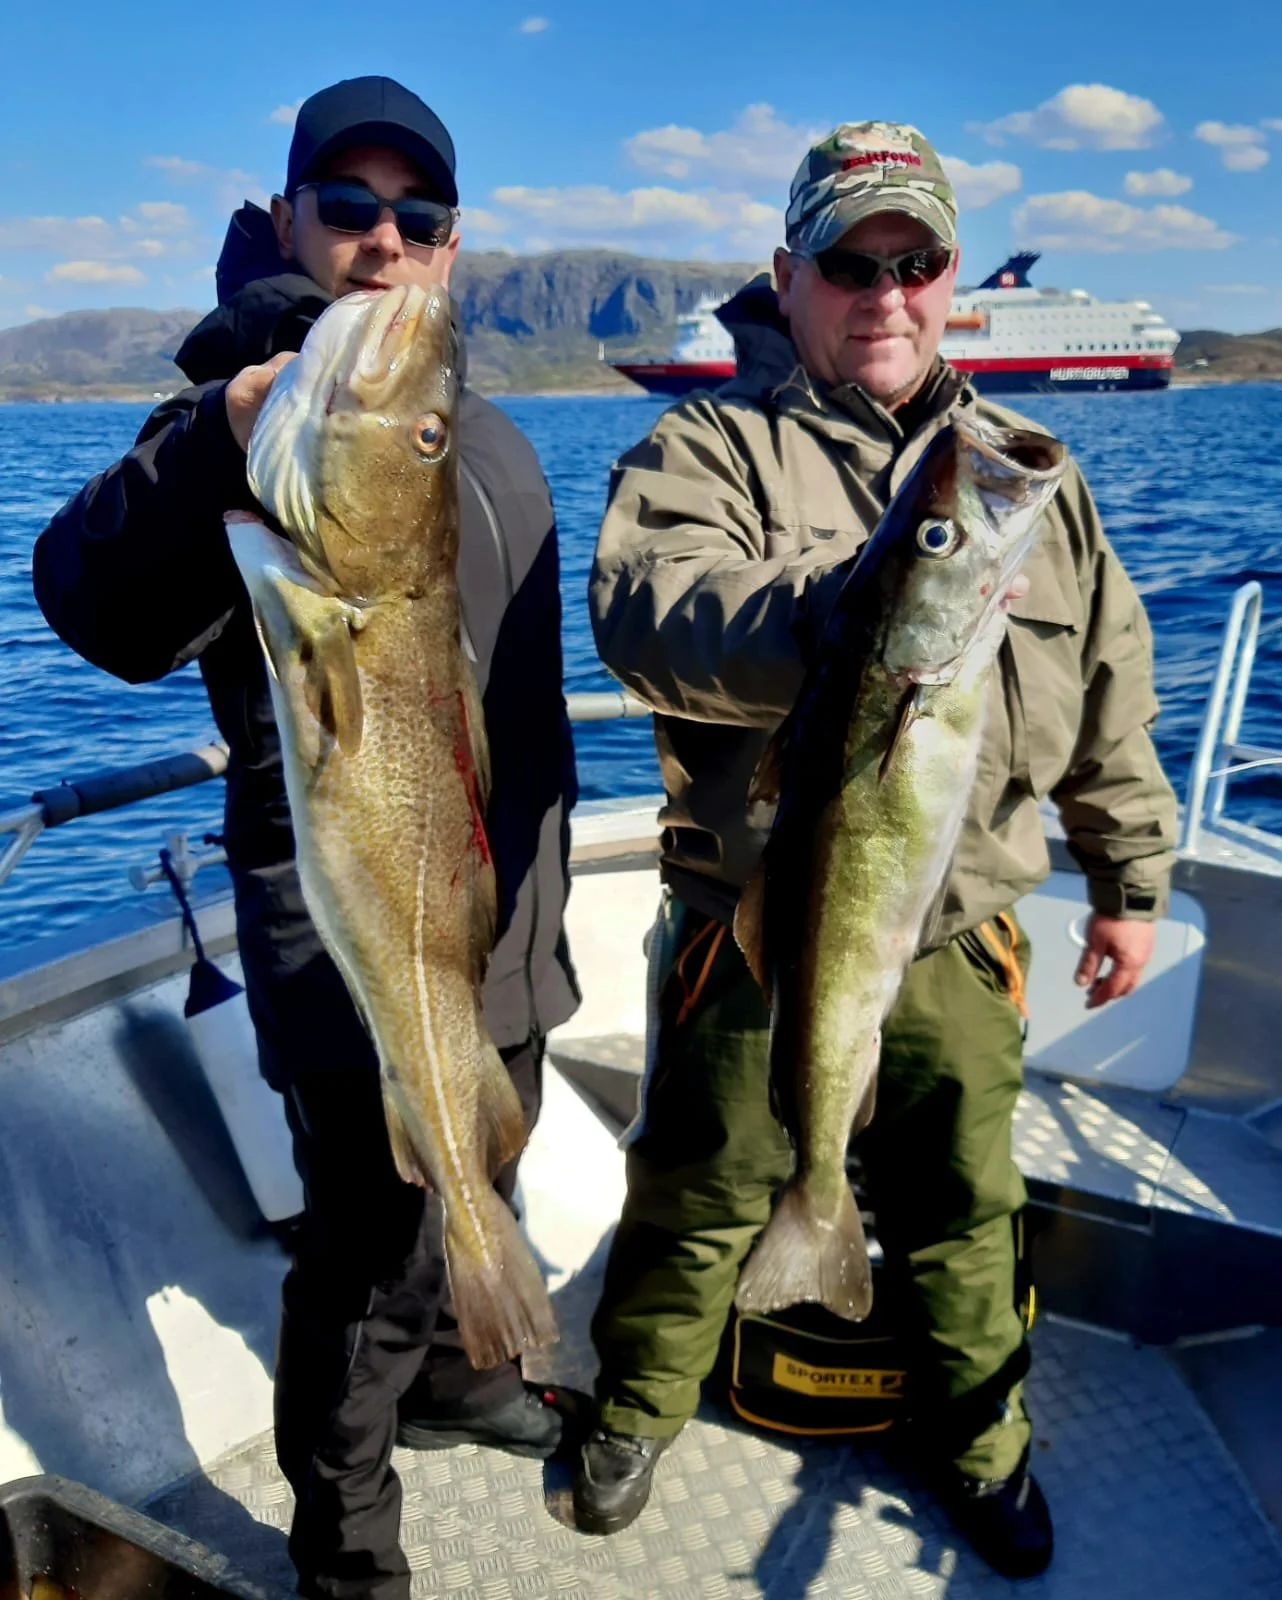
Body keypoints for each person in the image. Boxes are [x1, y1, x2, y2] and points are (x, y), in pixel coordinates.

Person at [577, 121, 1177, 1580]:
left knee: (967, 1205)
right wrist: (858, 600)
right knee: (699, 1182)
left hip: (962, 926)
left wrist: (1129, 878)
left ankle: (980, 1444)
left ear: (952, 280)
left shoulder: (1026, 471)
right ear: (787, 277)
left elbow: (1108, 685)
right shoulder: (704, 448)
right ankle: (635, 1410)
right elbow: (646, 612)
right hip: (751, 917)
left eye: (916, 263)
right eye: (850, 262)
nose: (885, 292)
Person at [33, 76, 580, 1600]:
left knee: (487, 1160)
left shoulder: (493, 440)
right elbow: (92, 601)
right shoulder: (249, 434)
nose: (386, 239)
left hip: (508, 919)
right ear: (287, 221)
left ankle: (470, 1381)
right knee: (364, 1252)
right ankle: (347, 1548)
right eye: (349, 207)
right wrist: (218, 435)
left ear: (454, 250)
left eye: (422, 216)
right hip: (344, 928)